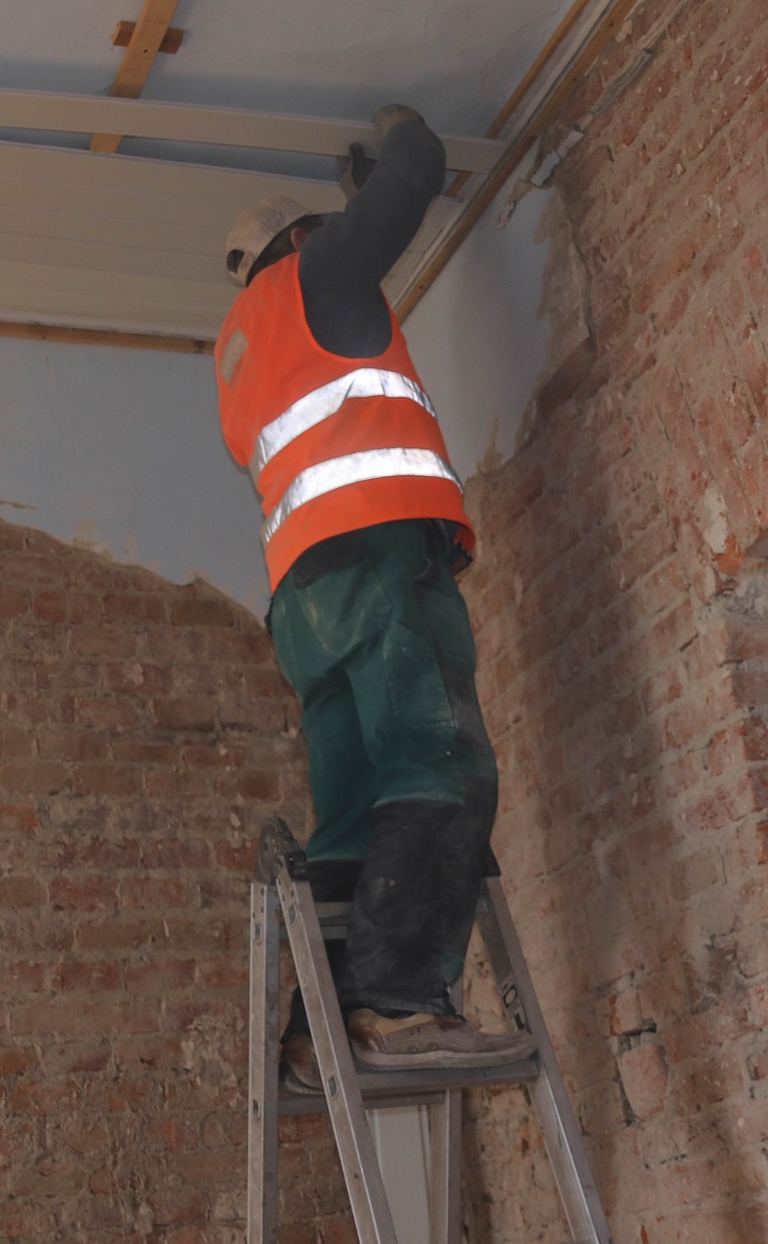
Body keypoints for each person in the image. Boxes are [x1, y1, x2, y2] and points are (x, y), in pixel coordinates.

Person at [214, 104, 533, 1091]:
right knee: (441, 764)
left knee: (353, 816)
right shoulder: (315, 278)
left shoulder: (237, 353)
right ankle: (396, 1004)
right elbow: (418, 164)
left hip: (305, 606)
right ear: (301, 240)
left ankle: (319, 1032)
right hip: (379, 559)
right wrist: (384, 151)